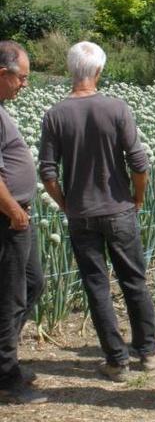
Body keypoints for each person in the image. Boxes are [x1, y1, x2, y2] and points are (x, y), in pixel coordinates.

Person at [39, 41, 155, 381]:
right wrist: (137, 197)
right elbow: (139, 163)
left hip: (81, 215)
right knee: (135, 280)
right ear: (98, 72)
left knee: (96, 286)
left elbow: (48, 172)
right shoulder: (116, 108)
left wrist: (66, 203)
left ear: (71, 71)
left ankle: (116, 361)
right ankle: (149, 351)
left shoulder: (55, 115)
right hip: (119, 209)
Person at [0, 42, 46, 405]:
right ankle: (6, 376)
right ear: (3, 74)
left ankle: (6, 360)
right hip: (8, 219)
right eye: (22, 78)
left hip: (17, 215)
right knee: (12, 295)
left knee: (32, 284)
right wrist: (14, 211)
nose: (24, 85)